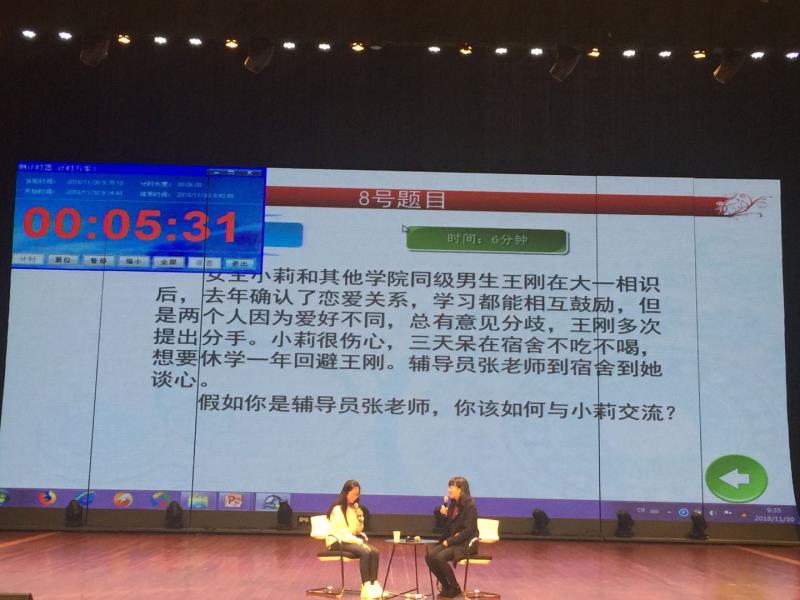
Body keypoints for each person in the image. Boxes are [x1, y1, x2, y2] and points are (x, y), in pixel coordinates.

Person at [326, 480, 382, 598]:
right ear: (347, 492)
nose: (356, 497)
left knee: (375, 551)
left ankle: (374, 584)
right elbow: (343, 533)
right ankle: (366, 586)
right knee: (365, 551)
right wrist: (360, 542)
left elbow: (355, 531)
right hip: (337, 541)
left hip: (348, 540)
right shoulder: (337, 509)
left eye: (358, 495)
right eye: (354, 494)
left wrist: (360, 519)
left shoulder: (352, 508)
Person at [425, 476, 478, 599]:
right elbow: (447, 527)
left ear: (460, 489)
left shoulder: (470, 506)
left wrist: (449, 542)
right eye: (449, 487)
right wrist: (440, 512)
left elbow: (468, 531)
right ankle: (446, 586)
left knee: (440, 557)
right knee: (429, 556)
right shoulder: (453, 505)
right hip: (453, 541)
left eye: (451, 487)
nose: (449, 490)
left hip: (465, 543)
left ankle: (455, 587)